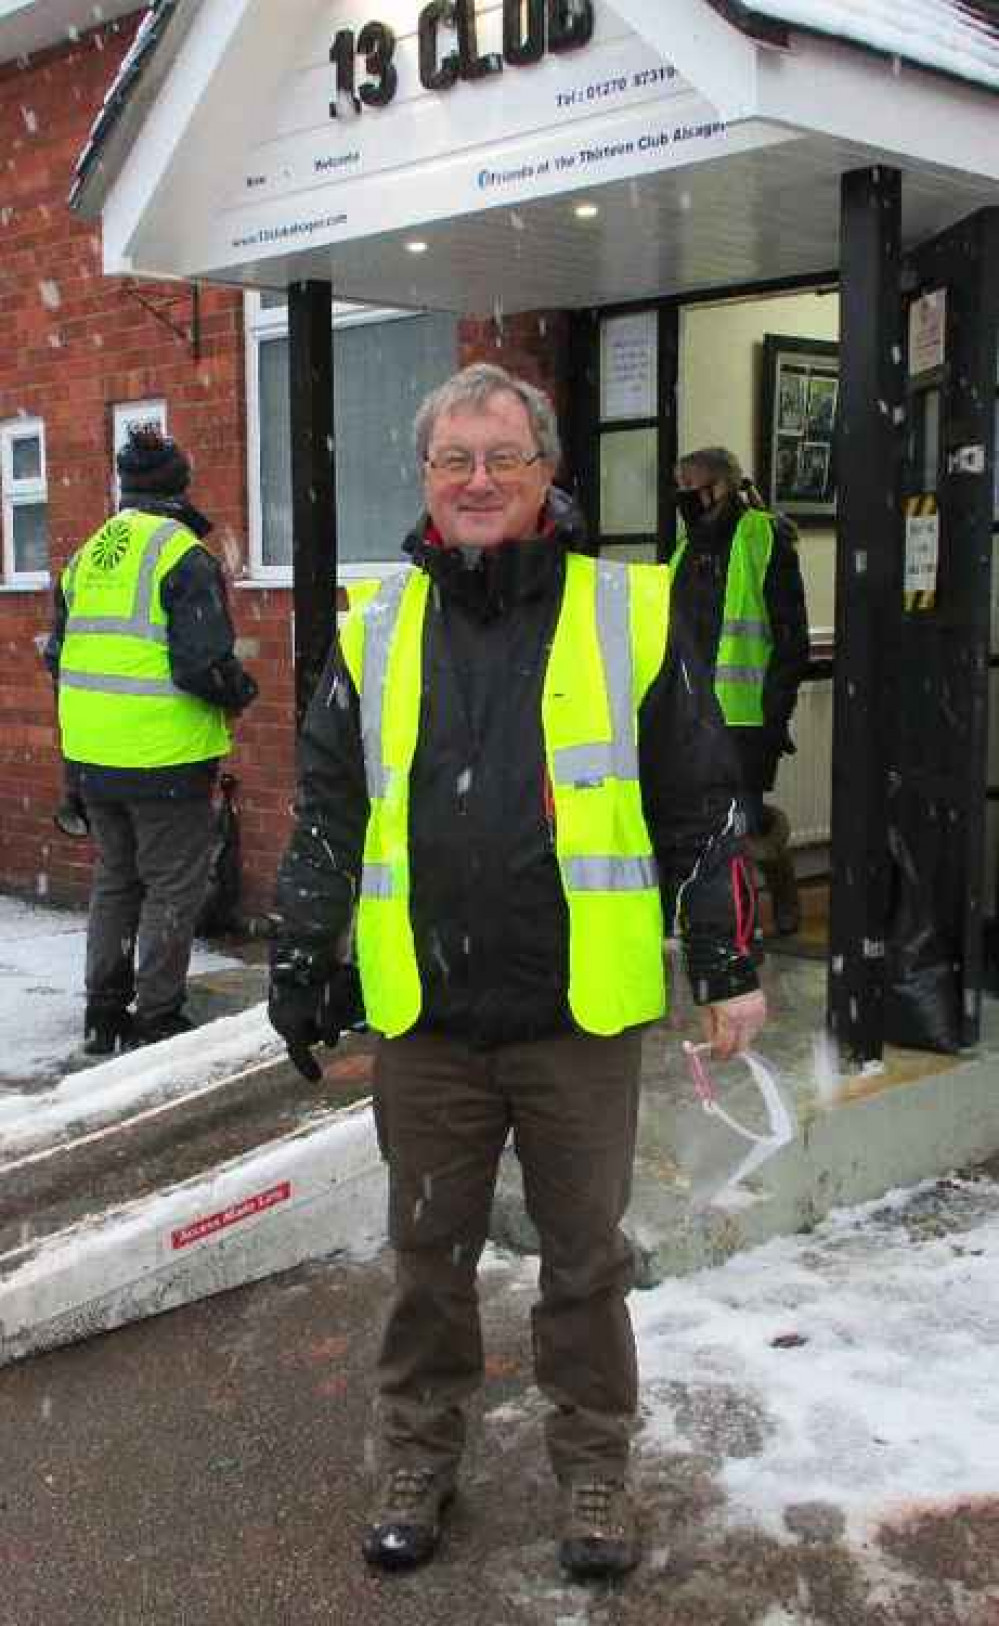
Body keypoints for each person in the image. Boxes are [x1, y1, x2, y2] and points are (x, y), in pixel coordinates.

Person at [267, 364, 766, 1581]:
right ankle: (415, 1455)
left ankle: (594, 1465)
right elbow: (332, 807)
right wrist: (300, 949)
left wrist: (729, 960)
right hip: (428, 1017)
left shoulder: (629, 609)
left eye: (503, 457)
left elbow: (702, 804)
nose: (478, 480)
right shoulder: (373, 625)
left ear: (548, 474)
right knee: (426, 1259)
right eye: (454, 460)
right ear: (428, 478)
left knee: (584, 1263)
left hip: (573, 1017)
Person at [45, 423, 258, 1054]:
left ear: (125, 486)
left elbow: (59, 656)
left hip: (91, 754)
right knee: (174, 884)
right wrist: (240, 690)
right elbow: (201, 666)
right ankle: (158, 1014)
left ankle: (104, 1011)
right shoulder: (181, 555)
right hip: (161, 756)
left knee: (116, 879)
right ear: (179, 484)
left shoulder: (87, 554)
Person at [672, 447, 810, 935]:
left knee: (745, 821)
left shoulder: (763, 536)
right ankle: (732, 924)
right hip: (692, 713)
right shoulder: (688, 549)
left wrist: (777, 713)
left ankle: (779, 893)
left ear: (721, 486)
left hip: (747, 716)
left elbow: (791, 637)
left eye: (691, 484)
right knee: (708, 822)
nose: (684, 495)